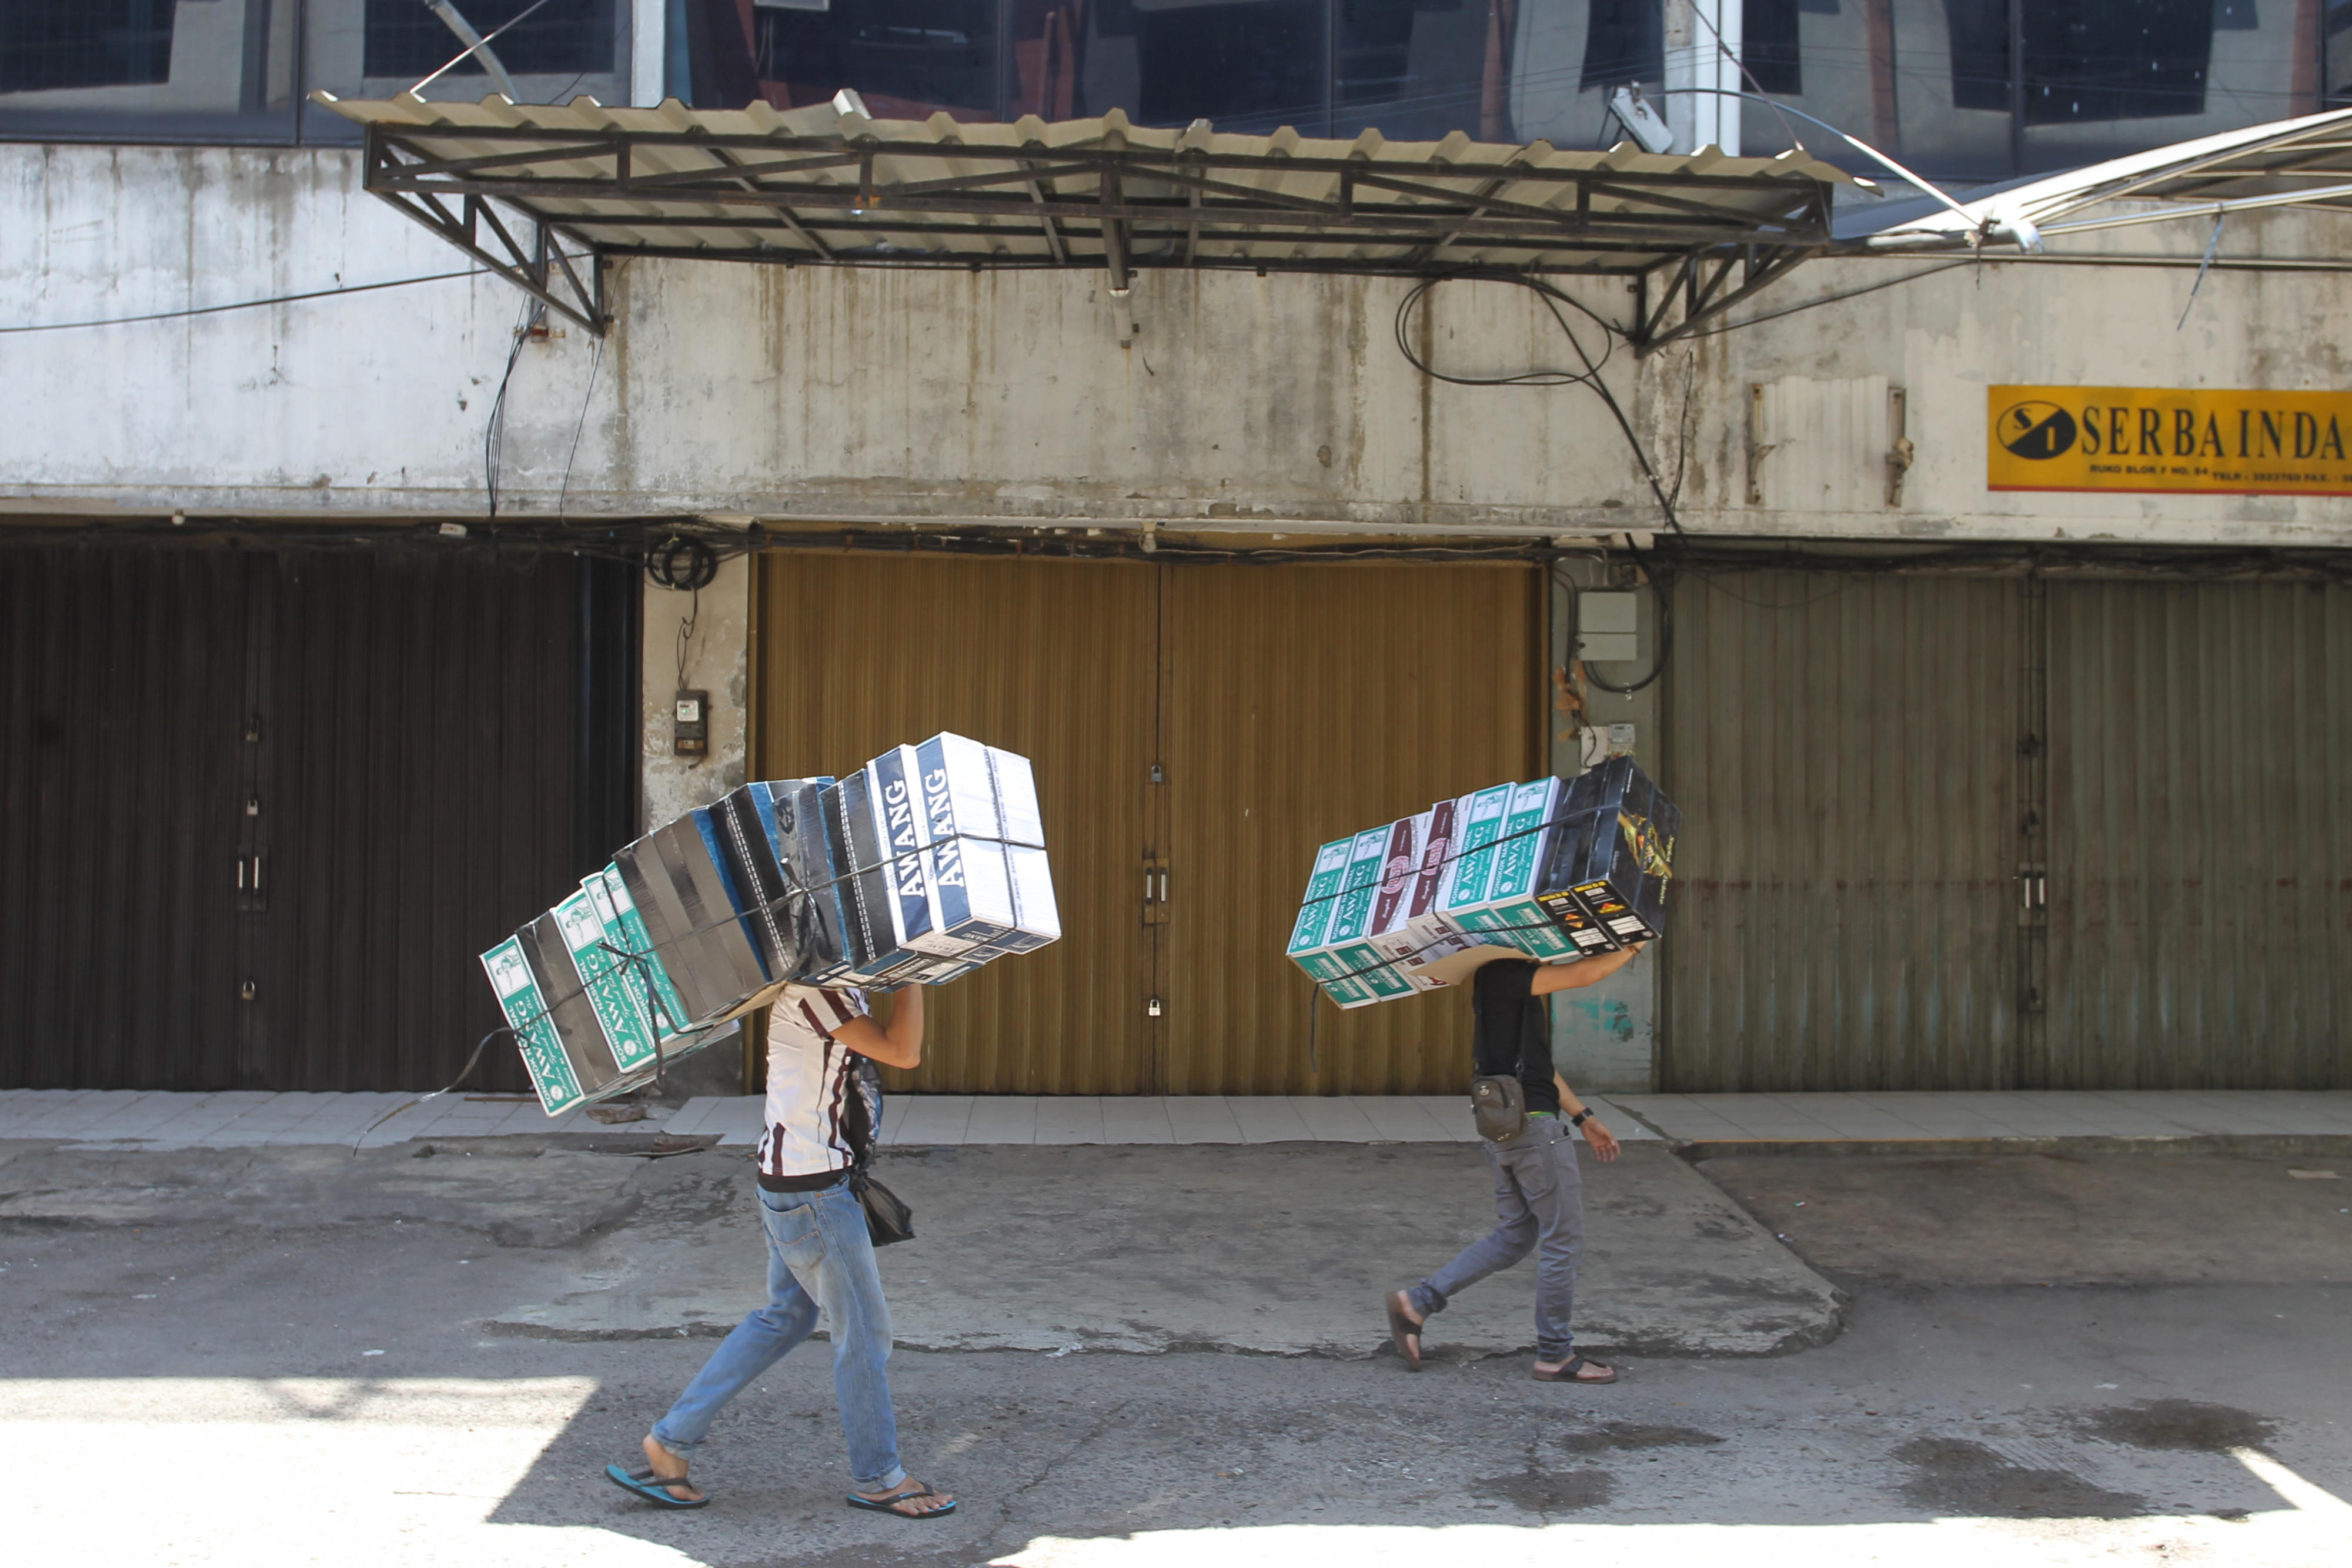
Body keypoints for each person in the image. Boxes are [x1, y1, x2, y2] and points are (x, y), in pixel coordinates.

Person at [604, 982, 956, 1520]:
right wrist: (917, 973)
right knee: (863, 1331)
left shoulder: (833, 990)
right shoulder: (819, 993)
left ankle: (671, 1443)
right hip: (813, 1192)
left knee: (785, 1317)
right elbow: (904, 1051)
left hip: (798, 1183)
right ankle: (880, 1478)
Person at [1384, 944, 1647, 1384]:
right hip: (1534, 1133)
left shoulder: (1506, 984)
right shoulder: (1505, 973)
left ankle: (1418, 1302)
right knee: (1562, 1240)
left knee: (1515, 1234)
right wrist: (1635, 944)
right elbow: (1586, 974)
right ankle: (1555, 1353)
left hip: (1511, 1128)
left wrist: (1584, 1117)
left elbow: (1540, 1067)